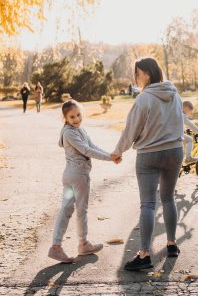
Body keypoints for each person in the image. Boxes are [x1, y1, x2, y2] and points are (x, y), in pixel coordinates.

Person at [112, 57, 184, 271]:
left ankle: (144, 254)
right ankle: (171, 244)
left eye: (138, 74)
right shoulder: (175, 95)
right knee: (168, 197)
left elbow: (130, 131)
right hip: (174, 152)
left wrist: (118, 151)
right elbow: (180, 123)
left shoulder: (144, 99)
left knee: (148, 204)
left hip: (149, 155)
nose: (136, 78)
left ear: (148, 74)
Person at [48, 100, 121, 263]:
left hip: (70, 176)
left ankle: (57, 247)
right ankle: (81, 244)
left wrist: (111, 155)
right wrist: (110, 159)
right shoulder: (70, 133)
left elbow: (92, 145)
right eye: (72, 117)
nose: (76, 119)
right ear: (65, 118)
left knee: (66, 210)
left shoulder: (77, 129)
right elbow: (86, 150)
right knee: (80, 211)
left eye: (78, 115)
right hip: (78, 177)